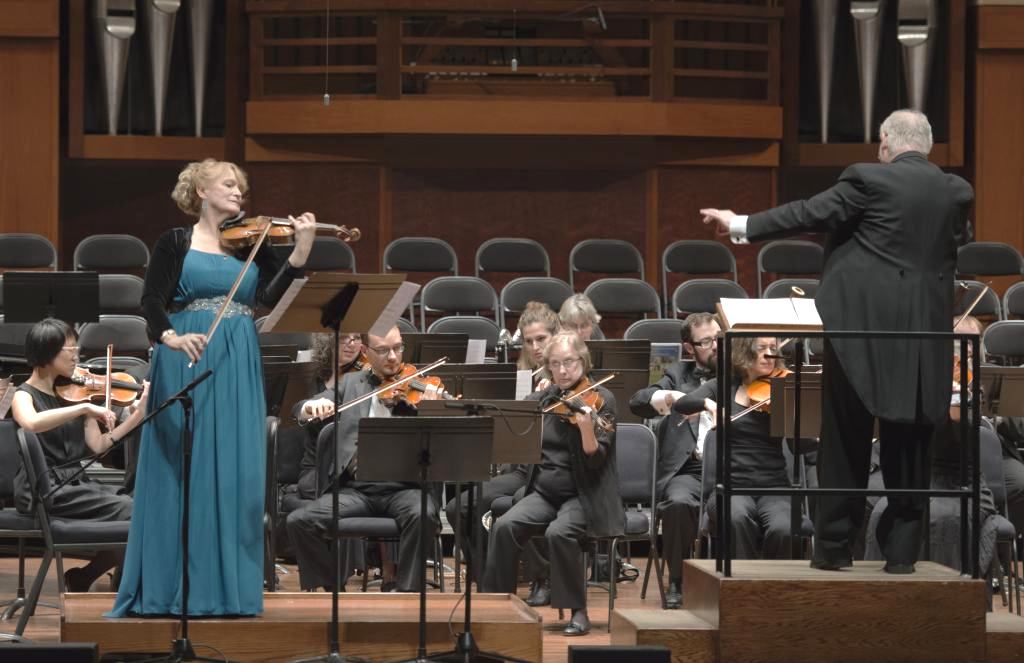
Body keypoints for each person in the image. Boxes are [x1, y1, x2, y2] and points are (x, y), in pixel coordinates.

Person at [701, 109, 974, 573]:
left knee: (845, 442)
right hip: (925, 343)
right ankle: (902, 557)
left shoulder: (869, 179)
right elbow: (949, 242)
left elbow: (809, 212)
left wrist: (740, 222)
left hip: (860, 338)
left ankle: (833, 550)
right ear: (927, 144)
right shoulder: (956, 192)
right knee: (909, 448)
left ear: (885, 142)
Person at [109, 159, 316, 616]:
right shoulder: (175, 241)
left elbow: (268, 298)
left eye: (241, 186)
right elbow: (151, 300)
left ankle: (227, 591)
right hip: (186, 354)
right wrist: (170, 337)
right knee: (183, 467)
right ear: (201, 190)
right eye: (228, 183)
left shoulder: (252, 243)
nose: (239, 191)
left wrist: (299, 255)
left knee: (236, 473)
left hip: (238, 356)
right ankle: (173, 588)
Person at [482, 331, 624, 636]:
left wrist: (587, 428)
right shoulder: (543, 399)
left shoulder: (603, 399)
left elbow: (596, 459)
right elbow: (516, 426)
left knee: (559, 532)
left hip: (584, 495)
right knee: (504, 526)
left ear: (583, 361)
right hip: (545, 493)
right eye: (555, 364)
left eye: (569, 363)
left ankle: (578, 611)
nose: (562, 371)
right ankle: (497, 605)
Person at [286, 325, 441, 593]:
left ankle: (408, 593)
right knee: (299, 521)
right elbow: (301, 408)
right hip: (355, 490)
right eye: (383, 350)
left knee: (424, 514)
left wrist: (434, 410)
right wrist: (308, 407)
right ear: (366, 352)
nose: (393, 357)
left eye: (398, 347)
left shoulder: (418, 387)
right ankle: (333, 589)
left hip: (405, 489)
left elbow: (442, 446)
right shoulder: (350, 384)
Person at [12, 319, 147, 592]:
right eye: (69, 349)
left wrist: (139, 415)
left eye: (77, 348)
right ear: (46, 352)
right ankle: (120, 582)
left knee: (141, 507)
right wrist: (84, 409)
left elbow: (98, 445)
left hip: (73, 483)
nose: (76, 355)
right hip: (43, 486)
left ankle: (84, 578)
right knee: (132, 512)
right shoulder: (23, 395)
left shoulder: (75, 394)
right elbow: (32, 423)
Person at [864, 315, 998, 574]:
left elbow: (960, 428)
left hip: (962, 483)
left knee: (940, 519)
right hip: (922, 479)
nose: (964, 350)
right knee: (883, 510)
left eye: (970, 344)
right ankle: (881, 588)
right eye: (958, 342)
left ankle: (946, 592)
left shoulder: (976, 386)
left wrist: (956, 395)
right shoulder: (924, 382)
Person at [444, 301, 559, 591]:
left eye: (541, 339)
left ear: (555, 337)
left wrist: (554, 396)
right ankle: (486, 580)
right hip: (522, 469)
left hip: (552, 473)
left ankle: (542, 579)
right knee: (458, 507)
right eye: (529, 341)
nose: (535, 347)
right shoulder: (522, 379)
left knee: (520, 500)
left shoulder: (567, 376)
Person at [672, 336, 801, 561]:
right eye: (761, 348)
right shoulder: (722, 387)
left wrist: (806, 420)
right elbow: (680, 404)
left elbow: (801, 447)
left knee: (785, 528)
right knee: (736, 520)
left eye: (773, 348)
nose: (769, 354)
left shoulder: (783, 389)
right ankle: (742, 589)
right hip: (730, 487)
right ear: (744, 352)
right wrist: (708, 404)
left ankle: (773, 588)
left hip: (774, 487)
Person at [628, 312, 720, 608]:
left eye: (719, 338)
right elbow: (638, 402)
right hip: (688, 469)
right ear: (689, 347)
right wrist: (671, 397)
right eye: (706, 342)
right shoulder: (677, 374)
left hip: (730, 467)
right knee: (678, 503)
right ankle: (677, 582)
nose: (716, 346)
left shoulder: (737, 372)